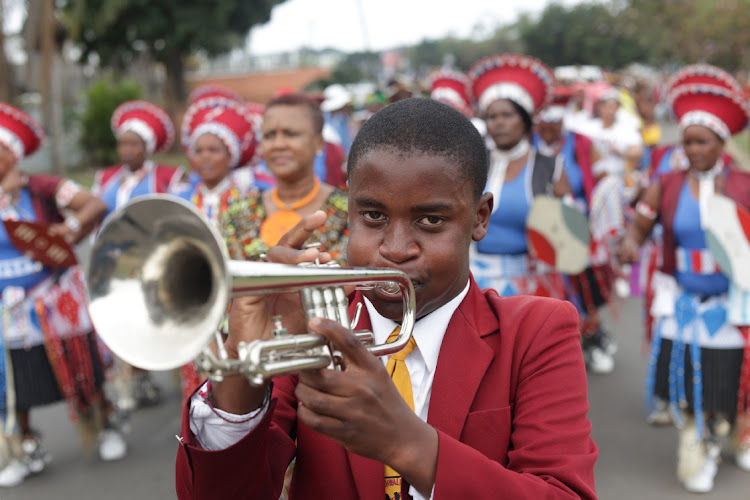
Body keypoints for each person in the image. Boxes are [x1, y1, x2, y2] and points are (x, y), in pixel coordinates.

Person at [175, 97, 598, 499]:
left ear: (479, 218)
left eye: (431, 220)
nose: (395, 249)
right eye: (373, 216)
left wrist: (407, 443)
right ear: (349, 212)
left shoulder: (537, 332)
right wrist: (241, 370)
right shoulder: (311, 334)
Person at [618, 69, 750, 493]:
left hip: (734, 302)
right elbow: (640, 224)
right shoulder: (668, 184)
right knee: (688, 378)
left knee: (732, 376)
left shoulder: (744, 185)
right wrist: (630, 244)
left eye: (702, 142)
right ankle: (700, 444)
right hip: (683, 300)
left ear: (721, 144)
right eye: (687, 141)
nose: (692, 150)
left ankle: (734, 429)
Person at [0, 102, 126, 487]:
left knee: (82, 369)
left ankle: (105, 426)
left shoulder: (42, 187)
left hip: (55, 300)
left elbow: (95, 203)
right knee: (15, 385)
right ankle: (24, 448)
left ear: (12, 152)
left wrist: (68, 231)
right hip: (9, 309)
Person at [90, 100, 184, 412]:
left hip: (153, 261)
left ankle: (178, 370)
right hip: (116, 264)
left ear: (148, 146)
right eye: (123, 144)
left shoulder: (168, 177)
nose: (127, 150)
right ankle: (138, 377)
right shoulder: (105, 180)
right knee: (125, 320)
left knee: (163, 317)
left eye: (134, 144)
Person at [467, 53, 571, 299]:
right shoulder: (472, 164)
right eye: (492, 117)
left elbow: (567, 239)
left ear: (524, 122)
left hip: (533, 286)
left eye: (507, 115)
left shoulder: (549, 167)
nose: (499, 123)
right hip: (475, 285)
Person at [221, 93, 348, 264]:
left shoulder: (349, 212)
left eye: (291, 134)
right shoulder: (237, 212)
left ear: (318, 143)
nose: (278, 144)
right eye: (269, 135)